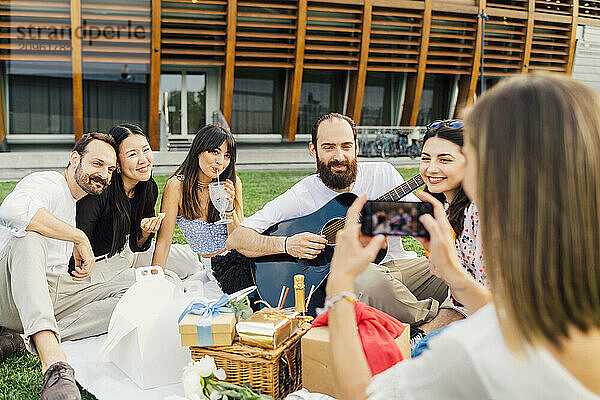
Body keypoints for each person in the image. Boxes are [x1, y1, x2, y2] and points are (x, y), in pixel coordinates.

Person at [325, 73, 600, 399]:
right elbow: (510, 320)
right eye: (426, 158)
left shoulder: (468, 352)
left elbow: (365, 396)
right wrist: (454, 273)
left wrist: (340, 287)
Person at [227, 113, 448, 324]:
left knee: (458, 267)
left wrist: (391, 219)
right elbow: (237, 238)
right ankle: (435, 321)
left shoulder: (383, 174)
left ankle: (439, 313)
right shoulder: (301, 196)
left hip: (401, 267)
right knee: (363, 276)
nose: (339, 156)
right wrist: (288, 244)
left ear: (357, 147)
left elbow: (424, 225)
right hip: (360, 280)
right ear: (313, 150)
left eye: (346, 146)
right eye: (328, 147)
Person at [0, 133, 119, 400]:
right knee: (28, 236)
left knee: (131, 292)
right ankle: (54, 362)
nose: (104, 174)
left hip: (45, 291)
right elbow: (13, 209)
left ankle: (19, 341)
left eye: (110, 169)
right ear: (75, 159)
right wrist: (78, 237)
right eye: (97, 164)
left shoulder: (74, 204)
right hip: (7, 290)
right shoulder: (49, 183)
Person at [75, 124, 201, 283]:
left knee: (190, 261)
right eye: (133, 154)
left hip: (130, 253)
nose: (143, 159)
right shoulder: (101, 190)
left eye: (146, 150)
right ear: (117, 162)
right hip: (102, 264)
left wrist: (145, 232)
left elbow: (137, 246)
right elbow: (79, 245)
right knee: (170, 280)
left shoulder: (148, 187)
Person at [152, 125, 244, 288]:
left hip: (239, 266)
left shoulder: (233, 183)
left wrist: (229, 208)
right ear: (198, 151)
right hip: (210, 269)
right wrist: (153, 283)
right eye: (214, 151)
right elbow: (163, 243)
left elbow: (242, 241)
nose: (220, 161)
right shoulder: (177, 187)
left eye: (227, 155)